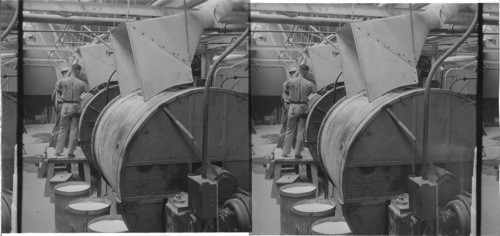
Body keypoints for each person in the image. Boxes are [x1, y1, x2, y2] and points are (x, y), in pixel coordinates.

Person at [282, 64, 317, 159]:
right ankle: (297, 154)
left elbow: (285, 87)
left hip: (292, 107)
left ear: (299, 70)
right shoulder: (309, 83)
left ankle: (285, 152)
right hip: (303, 107)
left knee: (290, 130)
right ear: (306, 72)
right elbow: (314, 92)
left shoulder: (290, 81)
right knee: (301, 131)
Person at [54, 64, 89, 157]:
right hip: (76, 107)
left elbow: (57, 86)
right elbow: (87, 90)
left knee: (63, 129)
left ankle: (58, 151)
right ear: (77, 71)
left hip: (65, 107)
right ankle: (70, 153)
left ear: (71, 70)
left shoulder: (63, 81)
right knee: (73, 130)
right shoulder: (81, 83)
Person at [277, 67, 297, 148]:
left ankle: (293, 145)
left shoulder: (291, 83)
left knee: (293, 126)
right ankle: (282, 145)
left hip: (291, 106)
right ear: (292, 73)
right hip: (289, 106)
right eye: (294, 73)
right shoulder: (288, 83)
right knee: (287, 126)